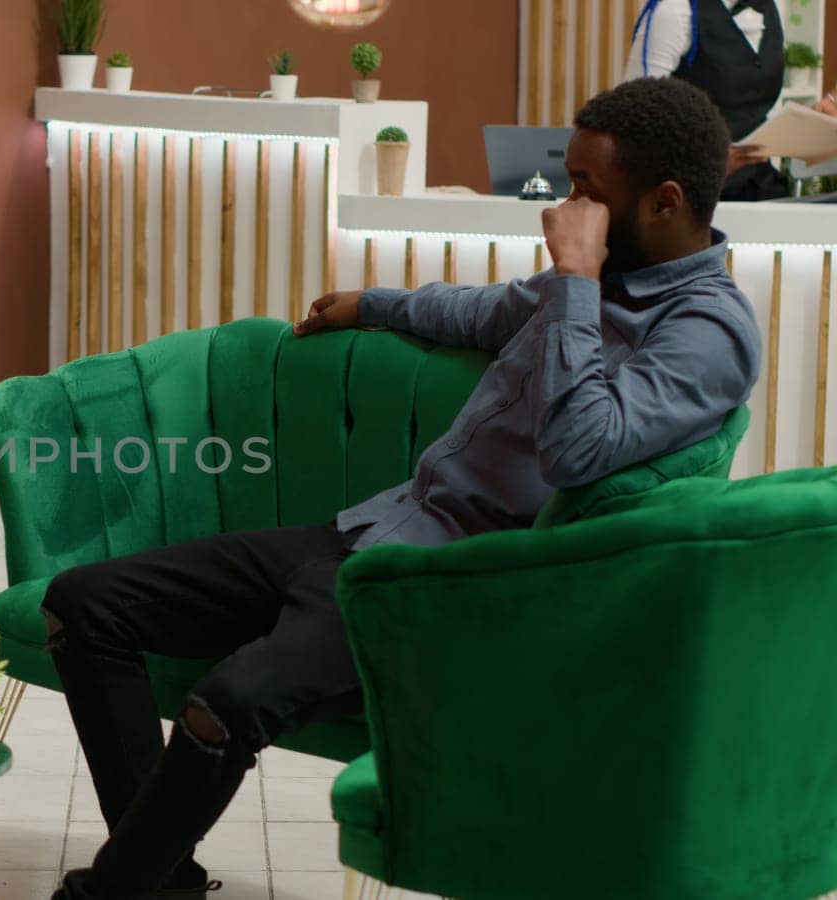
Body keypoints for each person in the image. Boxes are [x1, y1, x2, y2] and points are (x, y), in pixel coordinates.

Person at [44, 77, 761, 900]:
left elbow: (578, 448)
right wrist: (373, 304)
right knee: (84, 606)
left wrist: (575, 275)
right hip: (379, 531)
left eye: (588, 192)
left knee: (225, 704)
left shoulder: (706, 333)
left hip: (444, 590)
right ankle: (160, 884)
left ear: (665, 202)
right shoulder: (598, 282)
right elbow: (490, 312)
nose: (564, 210)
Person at [623, 0, 793, 199]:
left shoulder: (769, 8)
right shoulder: (675, 11)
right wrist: (702, 165)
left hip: (758, 186)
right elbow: (633, 120)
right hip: (688, 196)